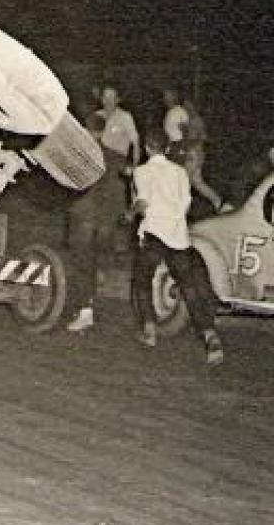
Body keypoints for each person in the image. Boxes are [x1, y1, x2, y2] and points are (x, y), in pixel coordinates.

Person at [129, 130, 224, 365]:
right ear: (167, 148)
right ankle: (209, 335)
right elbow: (185, 204)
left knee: (142, 280)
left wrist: (129, 213)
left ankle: (150, 330)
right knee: (189, 287)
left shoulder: (142, 171)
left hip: (154, 234)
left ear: (147, 148)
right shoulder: (180, 172)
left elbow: (142, 203)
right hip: (178, 236)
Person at [65, 113, 131, 332]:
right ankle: (86, 305)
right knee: (92, 261)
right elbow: (126, 182)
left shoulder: (79, 156)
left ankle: (85, 310)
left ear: (85, 130)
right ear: (102, 132)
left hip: (84, 216)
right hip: (105, 221)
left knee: (81, 262)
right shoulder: (115, 156)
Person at [162, 89, 225, 214]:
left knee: (180, 182)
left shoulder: (184, 116)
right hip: (195, 153)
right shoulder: (191, 118)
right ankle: (219, 203)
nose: (186, 106)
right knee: (197, 182)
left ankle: (178, 212)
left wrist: (185, 150)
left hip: (192, 153)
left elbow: (190, 134)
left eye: (188, 104)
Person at [95, 84, 140, 169]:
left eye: (112, 98)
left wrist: (135, 168)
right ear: (101, 99)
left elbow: (136, 144)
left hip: (118, 163)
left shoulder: (125, 117)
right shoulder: (97, 115)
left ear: (118, 100)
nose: (108, 101)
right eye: (105, 97)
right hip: (98, 163)